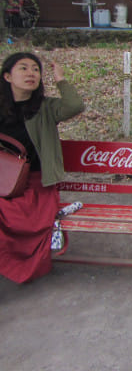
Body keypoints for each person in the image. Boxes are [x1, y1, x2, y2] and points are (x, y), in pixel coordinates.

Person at [0, 52, 85, 283]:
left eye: (35, 69)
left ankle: (19, 266)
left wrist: (61, 79)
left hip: (38, 185)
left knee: (16, 217)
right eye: (23, 68)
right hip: (4, 185)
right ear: (7, 76)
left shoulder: (46, 107)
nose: (31, 73)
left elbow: (75, 105)